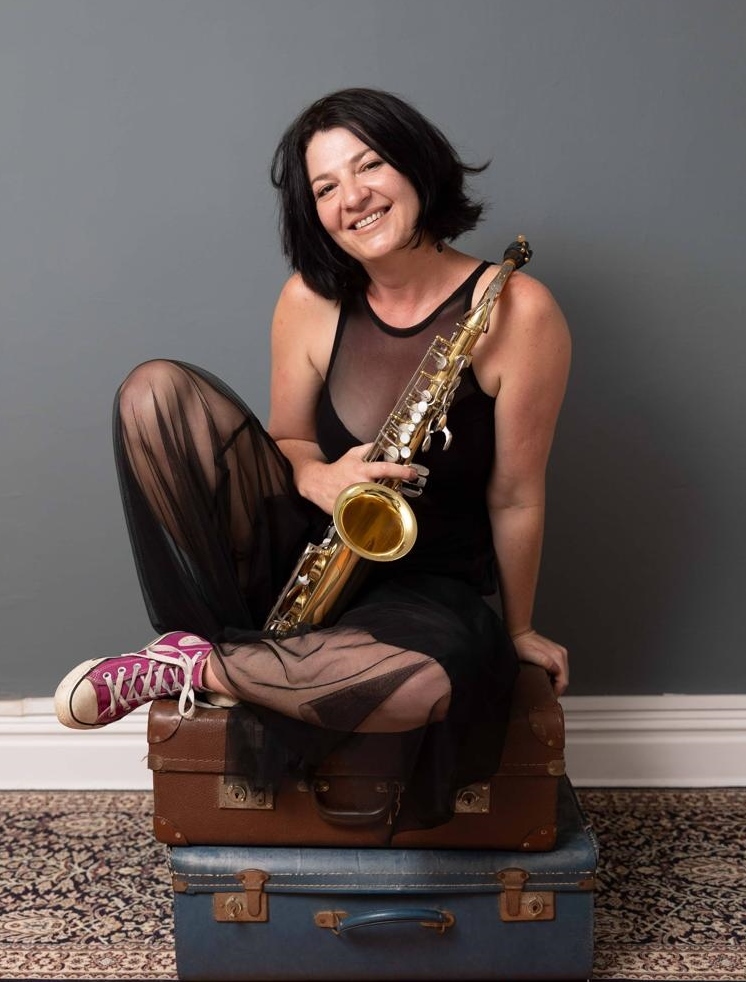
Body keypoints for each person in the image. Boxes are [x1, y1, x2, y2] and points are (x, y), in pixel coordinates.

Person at [54, 87, 570, 831]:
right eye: (325, 188)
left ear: (417, 165)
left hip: (424, 587)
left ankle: (192, 664)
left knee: (423, 685)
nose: (352, 198)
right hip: (307, 548)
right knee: (153, 393)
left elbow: (515, 494)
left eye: (370, 165)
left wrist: (518, 631)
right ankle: (243, 652)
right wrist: (320, 477)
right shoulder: (309, 298)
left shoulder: (521, 311)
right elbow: (288, 440)